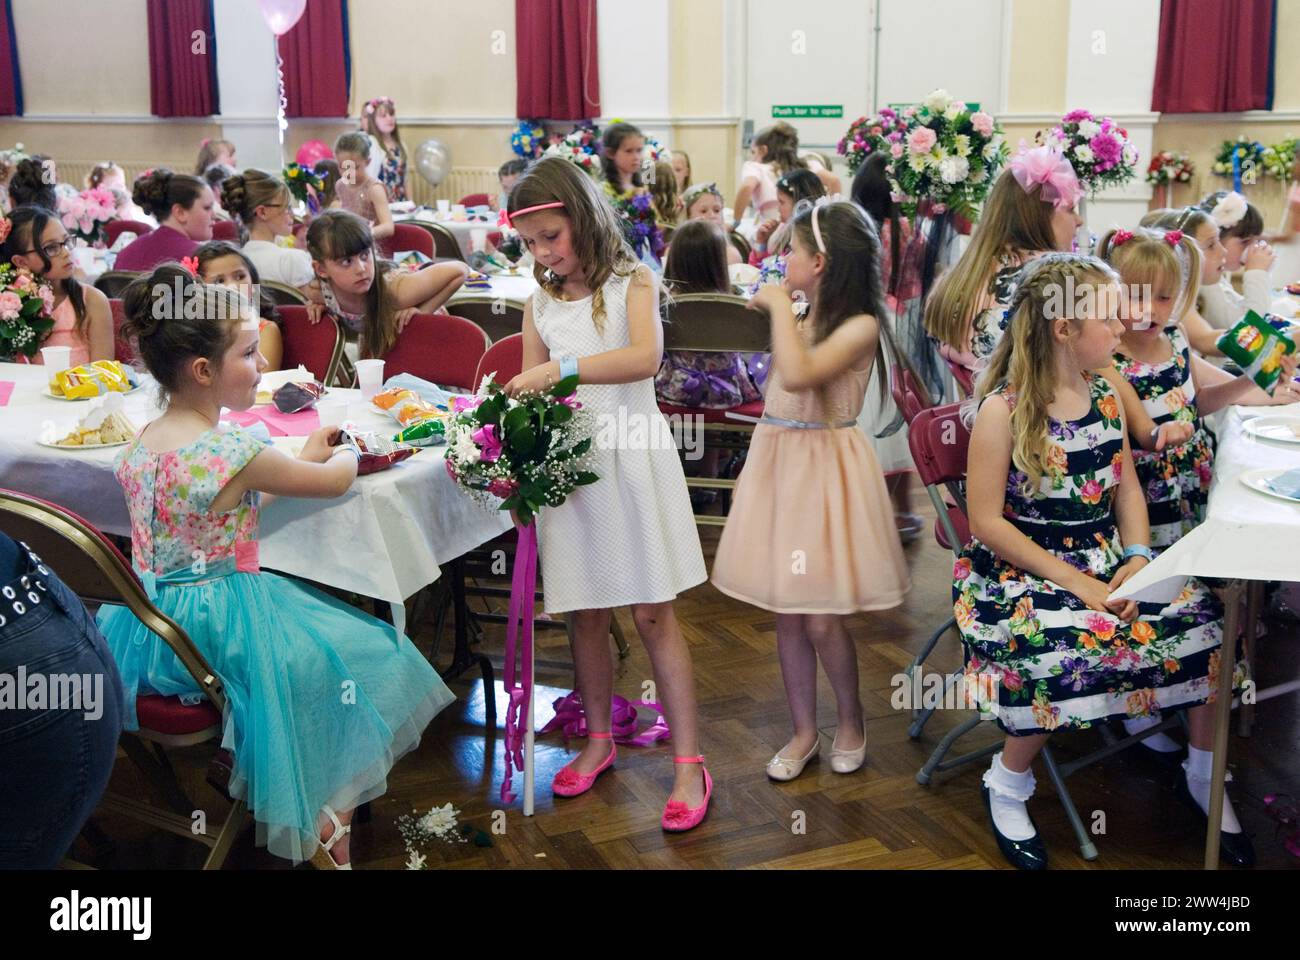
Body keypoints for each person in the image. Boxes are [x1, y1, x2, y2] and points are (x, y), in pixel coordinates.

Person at [97, 264, 454, 868]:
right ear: (205, 371)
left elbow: (228, 496)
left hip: (151, 627)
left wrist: (302, 459)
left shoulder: (143, 439)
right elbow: (332, 482)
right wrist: (344, 452)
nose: (262, 366)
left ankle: (252, 762)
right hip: (225, 625)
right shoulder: (234, 449)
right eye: (249, 354)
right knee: (380, 657)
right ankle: (325, 812)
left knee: (322, 661)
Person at [955, 253, 1249, 870]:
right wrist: (1076, 581)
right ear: (1064, 329)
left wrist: (1138, 556)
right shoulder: (1002, 411)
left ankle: (1202, 770)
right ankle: (1007, 780)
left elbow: (1126, 489)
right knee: (1055, 650)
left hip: (1107, 556)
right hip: (1024, 569)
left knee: (1206, 626)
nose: (1124, 330)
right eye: (1109, 320)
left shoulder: (1112, 388)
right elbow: (986, 523)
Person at [501, 156, 711, 830]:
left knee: (652, 614)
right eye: (530, 243)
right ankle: (597, 738)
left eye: (551, 238)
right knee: (583, 613)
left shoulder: (633, 281)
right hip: (571, 468)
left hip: (629, 459)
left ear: (583, 218)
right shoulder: (540, 301)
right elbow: (531, 388)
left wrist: (558, 370)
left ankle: (687, 760)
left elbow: (644, 358)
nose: (542, 253)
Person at [713, 201, 909, 781]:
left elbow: (798, 375)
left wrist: (775, 303)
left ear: (819, 262)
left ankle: (850, 721)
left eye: (792, 251)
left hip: (825, 471)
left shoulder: (860, 326)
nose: (781, 260)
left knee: (822, 617)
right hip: (779, 461)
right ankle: (802, 730)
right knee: (789, 612)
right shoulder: (798, 312)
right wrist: (772, 305)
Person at [923, 145, 1083, 375]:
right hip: (1036, 406)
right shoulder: (1054, 278)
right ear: (1040, 214)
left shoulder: (958, 277)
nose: (1079, 221)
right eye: (1070, 209)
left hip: (982, 403)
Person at [306, 209, 467, 359]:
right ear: (321, 269)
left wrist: (422, 312)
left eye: (364, 255)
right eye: (347, 261)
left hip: (430, 344)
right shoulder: (320, 294)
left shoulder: (396, 291)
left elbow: (460, 271)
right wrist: (322, 309)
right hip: (388, 349)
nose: (361, 269)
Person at [2, 206, 113, 366]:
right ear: (21, 262)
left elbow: (104, 374)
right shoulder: (7, 306)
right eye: (52, 248)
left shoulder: (92, 301)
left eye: (66, 242)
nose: (66, 253)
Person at [114, 170, 215, 271]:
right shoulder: (198, 259)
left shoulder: (125, 254)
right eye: (207, 208)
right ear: (180, 213)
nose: (214, 215)